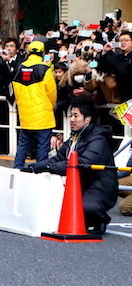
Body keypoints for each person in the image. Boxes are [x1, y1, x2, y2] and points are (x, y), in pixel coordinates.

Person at [23, 97, 117, 235]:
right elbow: (57, 158)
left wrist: (49, 168)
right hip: (79, 184)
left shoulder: (99, 139)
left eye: (76, 116)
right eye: (71, 115)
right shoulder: (76, 137)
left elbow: (80, 164)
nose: (71, 119)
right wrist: (34, 167)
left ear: (88, 119)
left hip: (99, 186)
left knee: (84, 208)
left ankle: (100, 219)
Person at [11, 40, 57, 168]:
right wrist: (51, 106)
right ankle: (39, 171)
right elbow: (52, 93)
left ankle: (17, 168)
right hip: (43, 115)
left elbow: (16, 90)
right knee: (43, 147)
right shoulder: (45, 68)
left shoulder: (20, 67)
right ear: (42, 52)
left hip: (26, 114)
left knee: (23, 144)